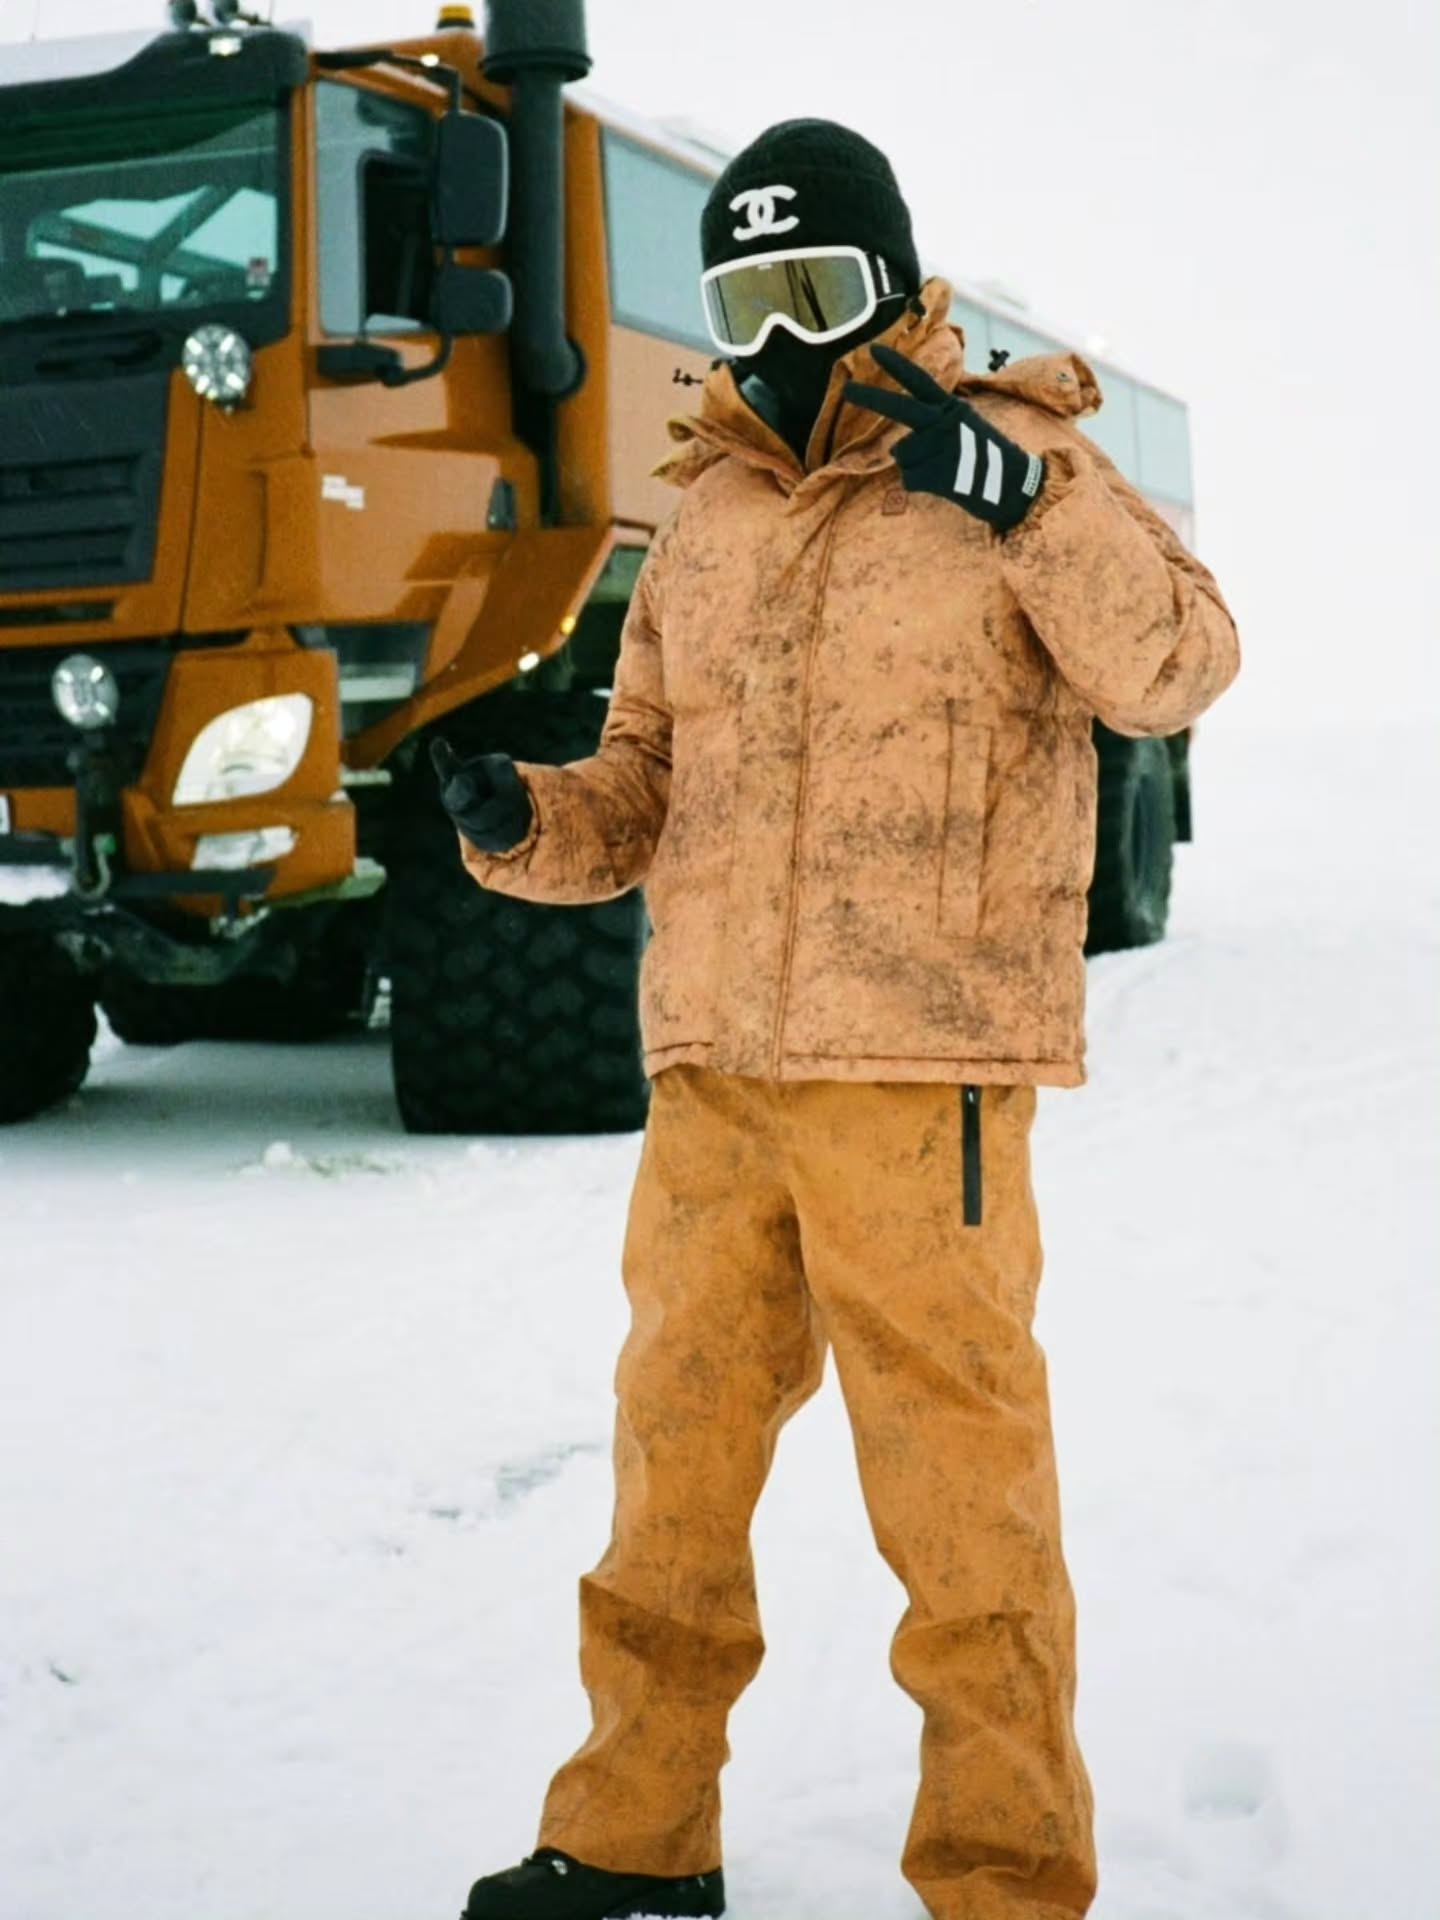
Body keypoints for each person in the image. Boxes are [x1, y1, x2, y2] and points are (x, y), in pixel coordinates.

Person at [433, 118, 1240, 1920]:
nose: (785, 333)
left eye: (822, 288)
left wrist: (1026, 507)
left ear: (894, 282)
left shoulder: (1021, 457)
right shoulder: (702, 516)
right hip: (716, 1075)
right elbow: (643, 790)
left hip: (919, 1077)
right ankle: (634, 1842)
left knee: (963, 1507)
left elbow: (1177, 665)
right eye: (748, 295)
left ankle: (1006, 1877)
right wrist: (527, 820)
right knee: (673, 1476)